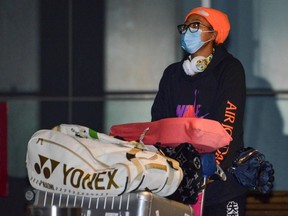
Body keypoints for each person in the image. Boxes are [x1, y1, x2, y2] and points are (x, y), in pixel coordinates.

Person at [151, 7, 247, 216]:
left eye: (196, 25)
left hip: (221, 189)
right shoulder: (172, 74)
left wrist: (214, 168)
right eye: (185, 26)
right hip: (177, 186)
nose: (188, 31)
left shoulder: (230, 70)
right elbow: (158, 124)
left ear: (214, 34)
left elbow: (228, 123)